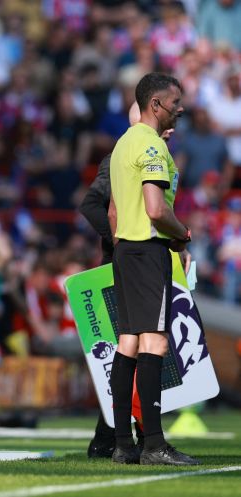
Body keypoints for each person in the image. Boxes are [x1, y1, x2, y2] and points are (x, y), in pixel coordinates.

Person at [108, 72, 199, 466]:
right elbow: (156, 209)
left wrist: (123, 245)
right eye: (175, 101)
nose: (181, 107)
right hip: (148, 248)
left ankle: (123, 444)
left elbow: (113, 210)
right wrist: (183, 236)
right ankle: (155, 444)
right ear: (156, 104)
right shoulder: (150, 147)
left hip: (126, 249)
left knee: (128, 342)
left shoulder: (124, 142)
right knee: (155, 343)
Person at [80, 102, 171, 459]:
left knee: (130, 346)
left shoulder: (145, 151)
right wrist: (118, 238)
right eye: (171, 110)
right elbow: (92, 204)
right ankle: (140, 439)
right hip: (131, 260)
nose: (175, 121)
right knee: (141, 345)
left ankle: (114, 440)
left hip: (134, 258)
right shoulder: (128, 153)